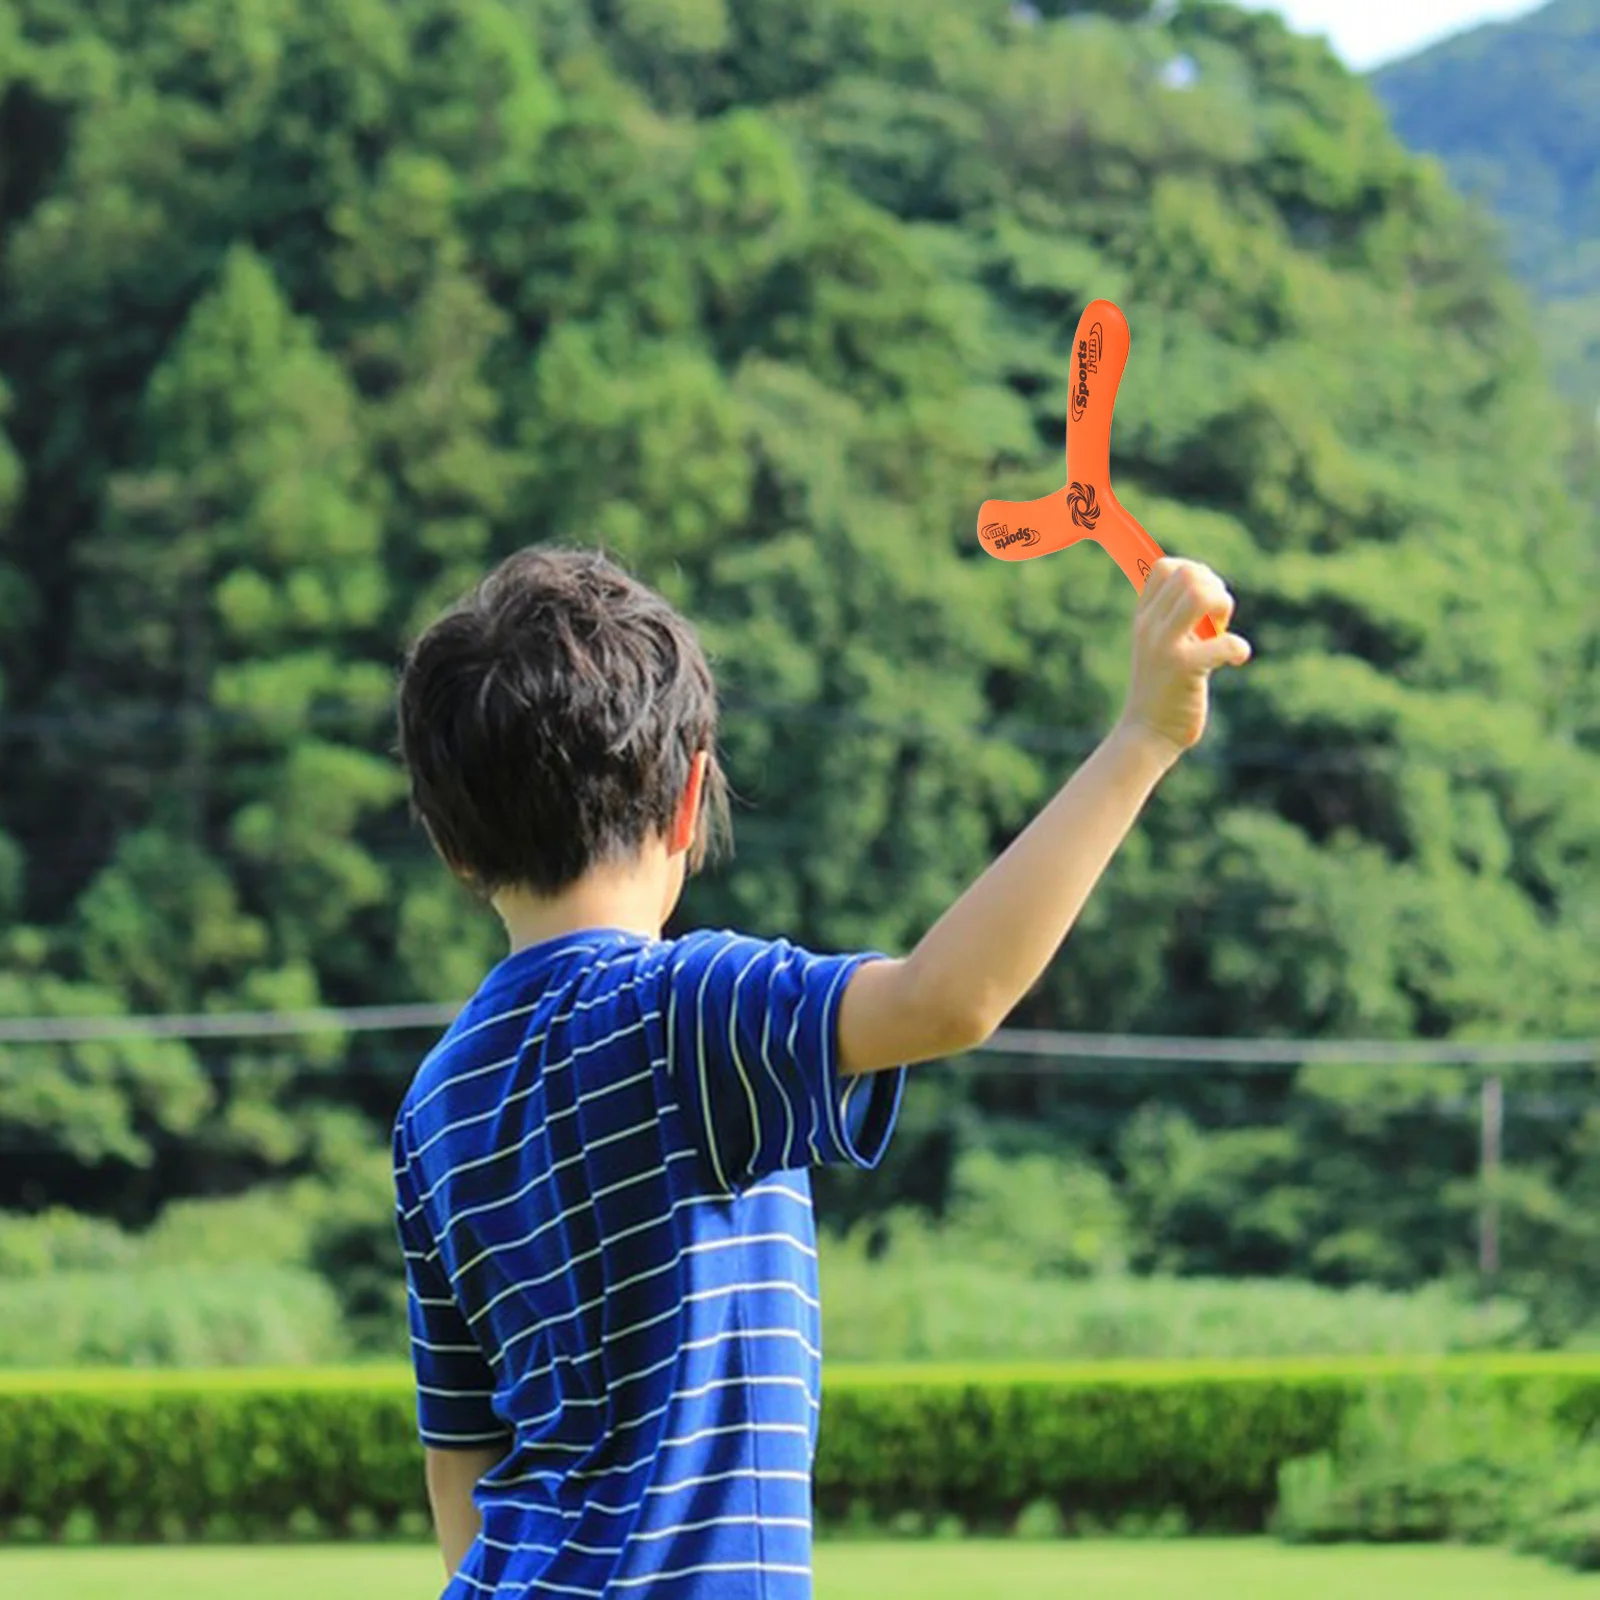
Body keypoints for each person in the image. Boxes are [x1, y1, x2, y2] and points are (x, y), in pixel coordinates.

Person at [393, 545, 1250, 1597]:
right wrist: (1142, 737)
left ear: (454, 849)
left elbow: (458, 1467)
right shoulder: (685, 1013)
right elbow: (948, 997)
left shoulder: (435, 1099)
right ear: (689, 793)